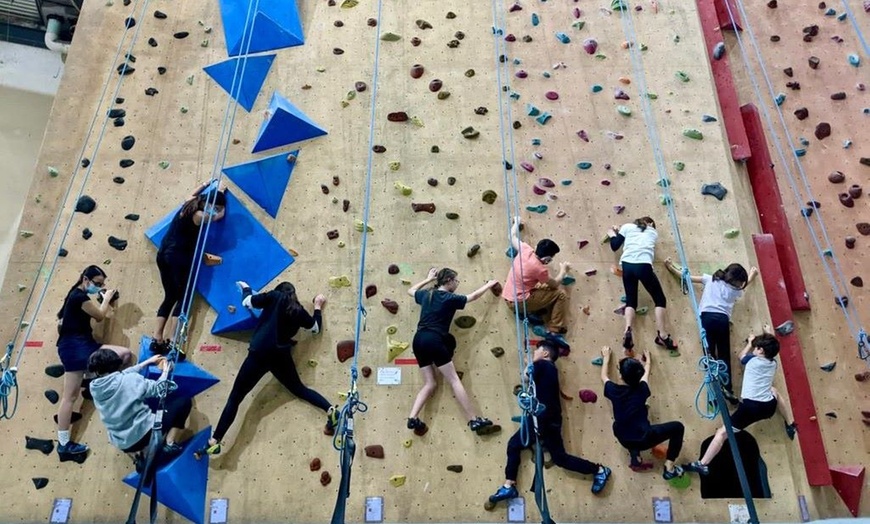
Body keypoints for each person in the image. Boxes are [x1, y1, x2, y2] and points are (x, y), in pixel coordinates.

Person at [196, 281, 336, 458]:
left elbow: (247, 301)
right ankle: (330, 410)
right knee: (300, 389)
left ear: (279, 290)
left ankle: (215, 441)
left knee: (236, 398)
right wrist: (317, 307)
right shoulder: (298, 310)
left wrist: (245, 287)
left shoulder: (275, 297)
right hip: (280, 356)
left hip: (259, 354)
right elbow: (315, 329)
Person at [488, 340, 611, 506]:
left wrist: (529, 363)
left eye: (536, 351)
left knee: (514, 445)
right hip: (549, 418)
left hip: (542, 417)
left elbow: (525, 377)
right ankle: (599, 470)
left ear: (545, 354)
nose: (534, 354)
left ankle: (509, 485)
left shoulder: (543, 366)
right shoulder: (550, 369)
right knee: (560, 458)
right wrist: (530, 363)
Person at [684, 328, 797, 475]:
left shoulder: (752, 360)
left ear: (761, 351)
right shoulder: (773, 363)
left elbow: (741, 356)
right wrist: (769, 335)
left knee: (722, 433)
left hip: (750, 408)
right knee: (774, 391)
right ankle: (790, 423)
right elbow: (772, 349)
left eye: (757, 348)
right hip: (768, 407)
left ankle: (703, 463)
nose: (754, 350)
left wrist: (750, 343)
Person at [405, 267, 501, 435]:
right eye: (456, 281)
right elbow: (473, 297)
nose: (457, 284)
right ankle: (473, 419)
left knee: (430, 383)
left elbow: (410, 290)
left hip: (418, 340)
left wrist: (428, 279)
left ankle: (412, 417)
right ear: (448, 280)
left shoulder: (427, 295)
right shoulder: (448, 298)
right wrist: (489, 285)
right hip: (434, 339)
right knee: (454, 379)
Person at [55, 265, 132, 459]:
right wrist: (105, 299)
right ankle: (63, 444)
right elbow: (99, 317)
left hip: (78, 346)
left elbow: (61, 323)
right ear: (85, 280)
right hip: (77, 348)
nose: (99, 287)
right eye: (97, 284)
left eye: (102, 284)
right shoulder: (79, 297)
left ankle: (89, 378)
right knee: (69, 397)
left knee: (123, 355)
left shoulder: (74, 295)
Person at [665, 260, 759, 403]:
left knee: (709, 354)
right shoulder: (735, 290)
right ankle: (727, 388)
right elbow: (746, 285)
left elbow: (687, 278)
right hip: (722, 320)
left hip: (707, 317)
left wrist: (671, 267)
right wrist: (753, 274)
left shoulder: (710, 279)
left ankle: (713, 392)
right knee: (723, 354)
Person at [152, 182, 227, 354]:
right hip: (177, 257)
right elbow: (219, 216)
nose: (215, 210)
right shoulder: (201, 215)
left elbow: (193, 193)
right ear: (210, 205)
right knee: (185, 297)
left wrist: (206, 184)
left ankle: (157, 339)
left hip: (163, 254)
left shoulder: (189, 204)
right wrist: (223, 198)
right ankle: (172, 340)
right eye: (215, 207)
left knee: (170, 296)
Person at [600, 346, 685, 481]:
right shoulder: (642, 389)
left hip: (623, 438)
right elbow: (647, 373)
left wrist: (606, 357)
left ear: (621, 377)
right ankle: (669, 467)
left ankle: (635, 456)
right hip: (645, 438)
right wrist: (649, 360)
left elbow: (604, 376)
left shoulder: (614, 391)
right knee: (678, 427)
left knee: (622, 425)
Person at [88, 348, 192, 457]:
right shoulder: (129, 380)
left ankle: (137, 456)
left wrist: (147, 362)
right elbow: (158, 388)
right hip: (146, 434)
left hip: (123, 443)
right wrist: (165, 371)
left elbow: (118, 376)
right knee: (184, 402)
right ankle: (169, 443)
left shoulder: (94, 387)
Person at [605, 217, 677, 353]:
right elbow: (643, 236)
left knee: (631, 301)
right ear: (650, 224)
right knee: (660, 299)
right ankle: (662, 335)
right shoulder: (653, 232)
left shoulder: (627, 227)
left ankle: (627, 329)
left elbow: (615, 246)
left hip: (627, 265)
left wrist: (612, 233)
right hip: (643, 266)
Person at [501, 217, 571, 346]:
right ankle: (554, 330)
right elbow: (555, 284)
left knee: (541, 286)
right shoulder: (540, 269)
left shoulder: (525, 249)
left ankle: (527, 311)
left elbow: (511, 236)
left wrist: (516, 223)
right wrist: (563, 270)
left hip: (508, 295)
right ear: (547, 258)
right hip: (519, 301)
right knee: (559, 294)